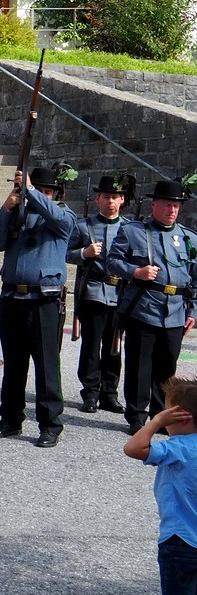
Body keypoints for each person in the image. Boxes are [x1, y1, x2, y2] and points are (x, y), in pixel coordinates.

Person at [0, 166, 77, 447]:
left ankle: (50, 424)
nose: (42, 196)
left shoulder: (63, 215)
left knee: (46, 366)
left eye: (47, 192)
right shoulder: (18, 213)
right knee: (14, 365)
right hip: (13, 297)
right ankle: (10, 418)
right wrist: (7, 207)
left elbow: (58, 219)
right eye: (40, 191)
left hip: (44, 300)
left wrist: (31, 191)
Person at [123, 377, 197, 595]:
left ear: (181, 417)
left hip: (180, 543)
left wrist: (154, 423)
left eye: (167, 412)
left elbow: (134, 448)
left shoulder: (178, 449)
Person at [109, 179, 197, 434]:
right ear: (154, 204)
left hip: (176, 309)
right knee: (139, 364)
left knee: (167, 366)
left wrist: (193, 311)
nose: (172, 210)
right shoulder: (133, 232)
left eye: (176, 205)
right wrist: (136, 271)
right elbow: (112, 261)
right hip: (144, 306)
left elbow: (195, 279)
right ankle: (136, 416)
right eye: (167, 204)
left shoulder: (189, 238)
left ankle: (161, 415)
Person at [66, 173, 132, 415]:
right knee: (91, 345)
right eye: (106, 197)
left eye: (115, 197)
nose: (110, 201)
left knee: (115, 346)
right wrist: (84, 253)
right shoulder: (84, 226)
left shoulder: (131, 228)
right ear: (97, 199)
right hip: (94, 291)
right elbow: (66, 253)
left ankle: (110, 393)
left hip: (120, 293)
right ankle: (91, 392)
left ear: (122, 200)